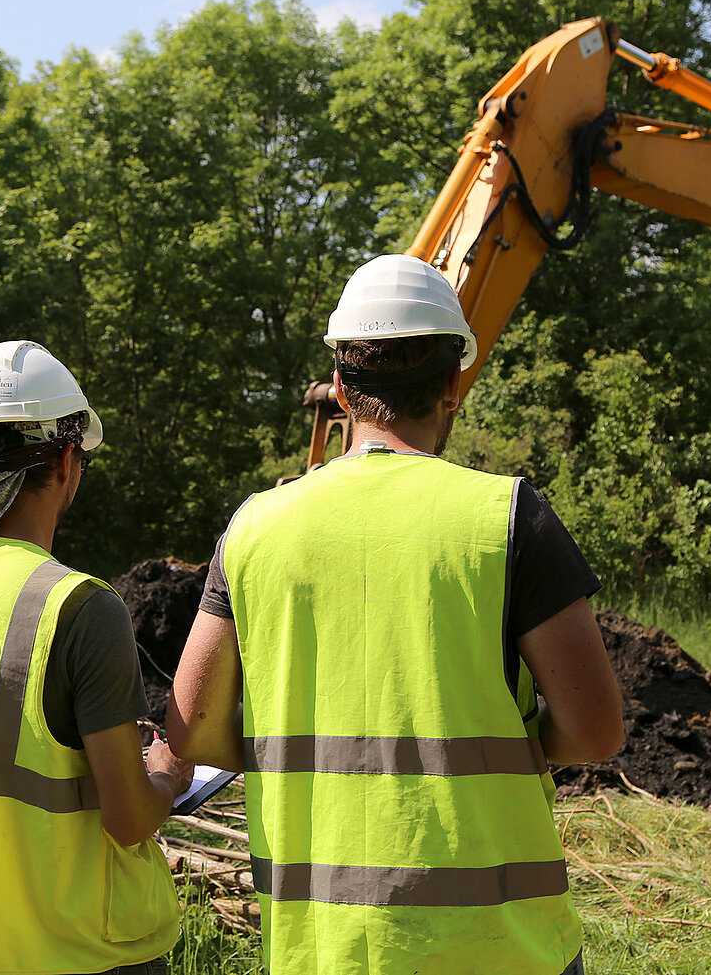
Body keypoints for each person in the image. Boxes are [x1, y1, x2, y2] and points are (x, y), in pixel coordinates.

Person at [168, 254, 625, 975]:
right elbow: (596, 729)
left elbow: (190, 724)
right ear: (452, 382)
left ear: (343, 390)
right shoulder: (508, 518)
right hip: (501, 950)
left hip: (323, 948)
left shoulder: (254, 526)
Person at [0, 341, 192, 975]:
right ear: (66, 460)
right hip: (84, 949)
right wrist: (165, 773)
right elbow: (130, 817)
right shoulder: (81, 606)